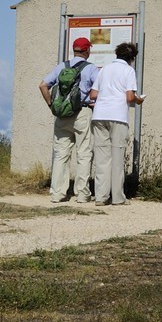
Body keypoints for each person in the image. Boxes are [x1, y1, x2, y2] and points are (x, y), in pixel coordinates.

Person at [38, 37, 99, 203]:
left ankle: (57, 193)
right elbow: (98, 90)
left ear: (74, 50)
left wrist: (52, 105)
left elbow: (43, 85)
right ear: (87, 50)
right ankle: (82, 194)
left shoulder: (61, 67)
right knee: (84, 153)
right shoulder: (91, 69)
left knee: (61, 155)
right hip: (82, 112)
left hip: (62, 115)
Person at [88, 41, 144, 206]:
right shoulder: (128, 70)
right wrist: (139, 100)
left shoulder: (104, 69)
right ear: (132, 58)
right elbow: (129, 97)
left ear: (116, 54)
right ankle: (118, 197)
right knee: (117, 157)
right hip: (118, 116)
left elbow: (93, 94)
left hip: (99, 115)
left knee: (101, 158)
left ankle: (100, 197)